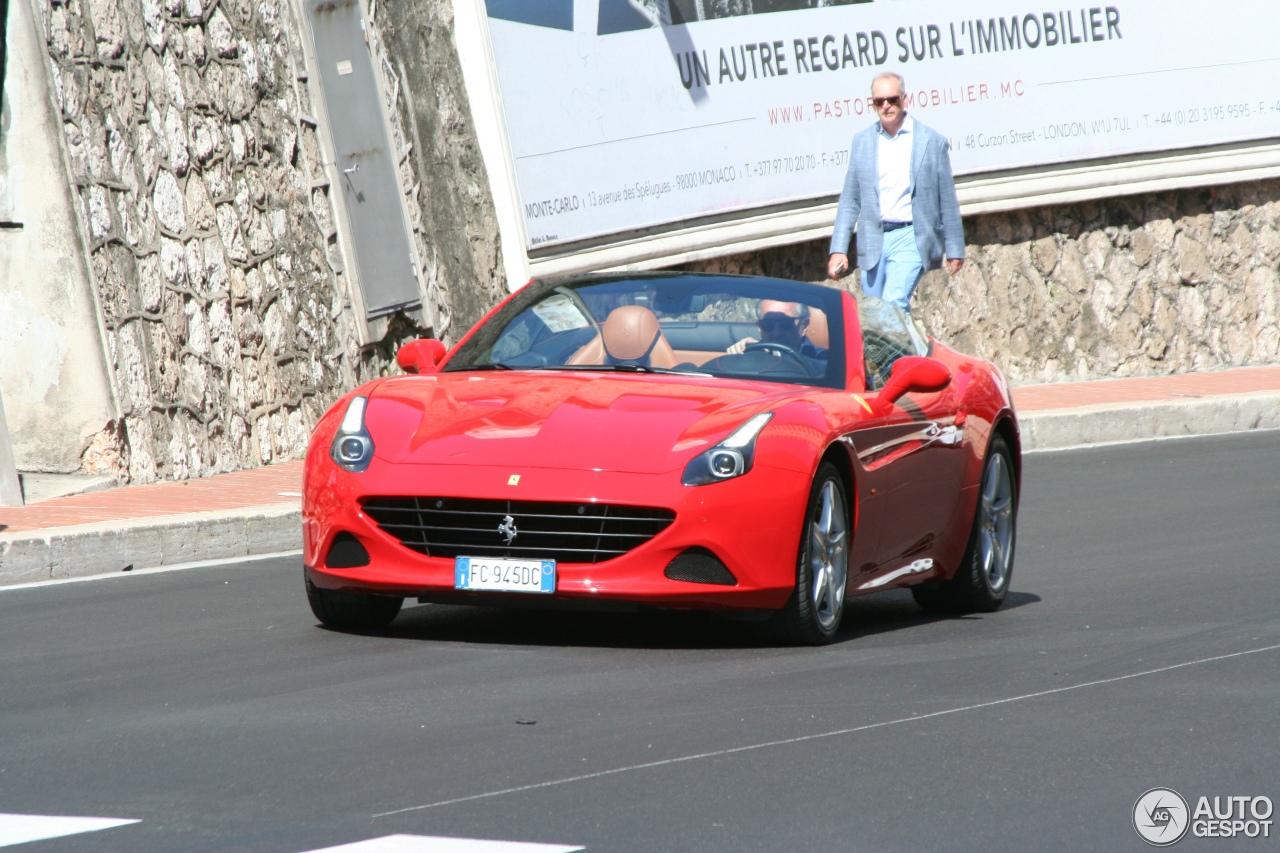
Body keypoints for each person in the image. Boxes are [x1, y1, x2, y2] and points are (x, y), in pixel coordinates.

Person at [827, 72, 965, 313]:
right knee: (876, 312)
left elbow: (947, 200)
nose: (886, 106)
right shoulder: (863, 142)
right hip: (875, 238)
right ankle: (909, 350)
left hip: (911, 234)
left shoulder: (930, 141)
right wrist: (839, 249)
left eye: (892, 99)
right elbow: (850, 199)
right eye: (879, 102)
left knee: (894, 302)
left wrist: (954, 248)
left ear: (904, 99)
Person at [727, 299, 827, 373]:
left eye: (786, 323)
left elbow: (825, 369)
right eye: (768, 324)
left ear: (804, 326)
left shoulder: (822, 357)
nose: (776, 332)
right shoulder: (751, 352)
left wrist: (776, 355)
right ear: (759, 326)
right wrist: (737, 357)